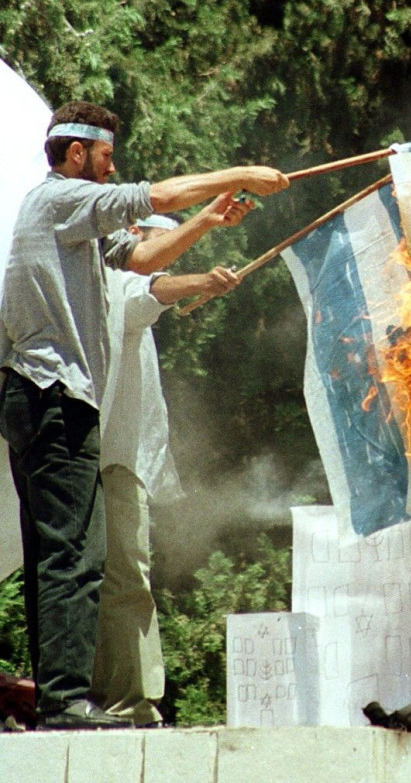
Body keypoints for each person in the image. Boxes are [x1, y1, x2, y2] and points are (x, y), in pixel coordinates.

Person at [0, 100, 288, 729]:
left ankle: (60, 698)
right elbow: (152, 198)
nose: (113, 168)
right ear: (78, 154)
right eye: (106, 156)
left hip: (40, 400)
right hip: (54, 398)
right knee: (75, 557)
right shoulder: (60, 200)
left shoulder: (68, 222)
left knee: (68, 556)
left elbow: (142, 262)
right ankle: (66, 703)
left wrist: (209, 220)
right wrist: (239, 174)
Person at [90, 214, 240, 726]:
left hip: (112, 457)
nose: (170, 256)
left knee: (109, 579)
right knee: (128, 578)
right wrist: (204, 281)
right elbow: (151, 291)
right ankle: (132, 705)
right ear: (135, 237)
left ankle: (103, 697)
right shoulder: (118, 280)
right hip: (109, 460)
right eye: (164, 243)